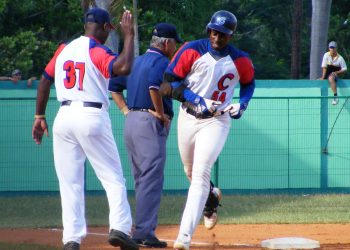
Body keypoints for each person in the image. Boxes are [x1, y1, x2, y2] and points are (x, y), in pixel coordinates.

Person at [31, 7, 139, 250]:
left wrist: (39, 115)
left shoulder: (63, 49)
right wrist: (129, 35)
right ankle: (120, 228)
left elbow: (45, 80)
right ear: (102, 27)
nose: (108, 34)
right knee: (113, 178)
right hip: (91, 115)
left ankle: (71, 239)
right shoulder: (96, 50)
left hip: (64, 117)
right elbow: (122, 68)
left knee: (70, 183)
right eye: (108, 29)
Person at [159, 10, 255, 250]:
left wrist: (242, 104)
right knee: (190, 171)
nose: (216, 36)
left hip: (217, 120)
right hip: (188, 116)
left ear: (230, 35)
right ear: (208, 29)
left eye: (222, 33)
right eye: (213, 31)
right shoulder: (192, 49)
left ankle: (184, 237)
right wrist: (196, 98)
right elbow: (167, 83)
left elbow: (249, 83)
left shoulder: (240, 59)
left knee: (200, 174)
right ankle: (211, 198)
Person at [109, 22, 183, 248]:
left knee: (142, 178)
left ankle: (141, 229)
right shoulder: (162, 61)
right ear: (167, 43)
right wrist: (160, 114)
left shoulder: (136, 60)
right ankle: (144, 233)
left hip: (132, 121)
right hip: (150, 123)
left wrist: (125, 111)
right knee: (151, 179)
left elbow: (114, 88)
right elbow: (154, 87)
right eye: (174, 43)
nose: (175, 48)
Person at [319, 41, 347, 105]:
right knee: (319, 79)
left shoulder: (340, 58)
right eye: (331, 47)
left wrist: (337, 72)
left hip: (335, 74)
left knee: (331, 78)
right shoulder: (326, 55)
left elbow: (345, 69)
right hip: (328, 72)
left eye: (333, 48)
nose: (332, 49)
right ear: (329, 48)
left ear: (336, 48)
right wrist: (323, 77)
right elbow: (324, 67)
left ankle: (335, 97)